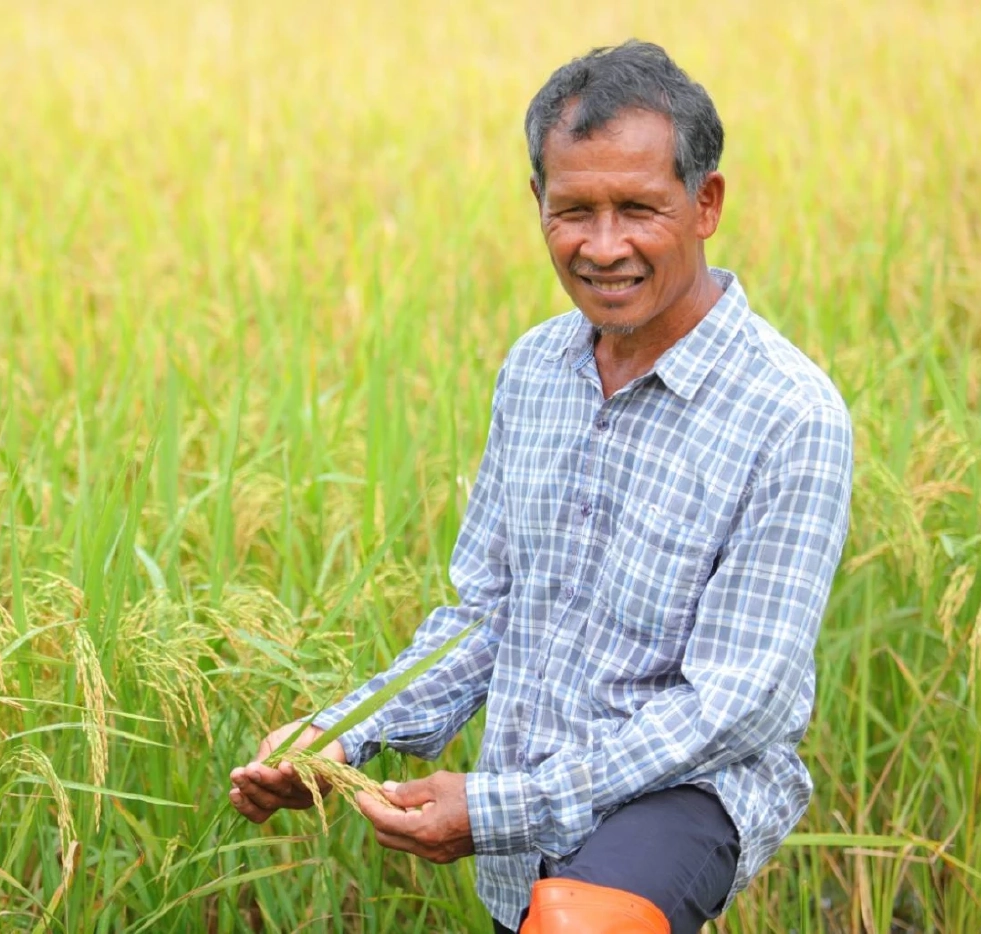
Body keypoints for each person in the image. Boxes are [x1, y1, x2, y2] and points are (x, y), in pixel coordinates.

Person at [228, 40, 854, 934]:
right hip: (525, 796)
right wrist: (339, 737)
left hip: (686, 789)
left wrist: (499, 805)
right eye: (574, 211)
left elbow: (732, 701)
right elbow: (486, 615)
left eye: (639, 209)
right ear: (538, 204)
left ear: (706, 203)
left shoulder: (791, 414)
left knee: (575, 925)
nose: (604, 247)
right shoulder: (534, 370)